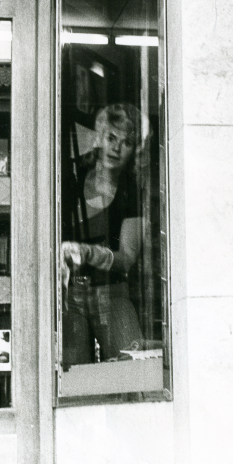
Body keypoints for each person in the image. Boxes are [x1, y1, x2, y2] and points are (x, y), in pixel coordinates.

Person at [61, 103, 146, 365]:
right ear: (98, 138)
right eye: (111, 137)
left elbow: (128, 257)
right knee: (72, 382)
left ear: (135, 151)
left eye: (127, 142)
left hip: (113, 292)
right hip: (71, 295)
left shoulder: (132, 191)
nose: (116, 148)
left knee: (133, 374)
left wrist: (89, 253)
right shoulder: (72, 182)